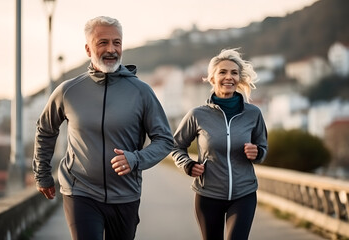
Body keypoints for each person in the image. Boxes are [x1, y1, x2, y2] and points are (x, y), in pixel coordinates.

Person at [32, 16, 173, 240]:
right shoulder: (69, 91)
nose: (111, 49)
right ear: (88, 49)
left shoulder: (141, 92)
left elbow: (165, 140)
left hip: (126, 194)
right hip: (80, 191)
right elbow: (46, 129)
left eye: (117, 43)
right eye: (103, 42)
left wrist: (135, 159)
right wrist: (42, 174)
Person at [171, 48, 268, 240]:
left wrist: (256, 152)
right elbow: (175, 146)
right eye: (222, 72)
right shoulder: (197, 115)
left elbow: (263, 148)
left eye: (234, 72)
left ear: (239, 78)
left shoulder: (253, 114)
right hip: (208, 195)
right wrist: (188, 164)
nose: (228, 77)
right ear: (212, 78)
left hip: (244, 194)